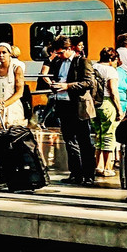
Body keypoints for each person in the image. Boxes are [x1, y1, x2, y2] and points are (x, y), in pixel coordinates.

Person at [41, 37, 99, 186]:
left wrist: (67, 86)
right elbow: (48, 75)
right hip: (63, 104)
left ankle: (88, 175)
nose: (58, 56)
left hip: (79, 106)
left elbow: (88, 83)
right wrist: (54, 85)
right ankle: (75, 173)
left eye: (60, 52)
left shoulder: (82, 61)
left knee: (85, 142)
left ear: (69, 49)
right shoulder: (58, 62)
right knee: (70, 141)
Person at [91, 47, 124, 177]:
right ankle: (107, 167)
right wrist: (119, 110)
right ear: (111, 59)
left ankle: (98, 166)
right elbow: (113, 91)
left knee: (98, 134)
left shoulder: (94, 67)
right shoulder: (110, 70)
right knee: (109, 135)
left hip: (94, 104)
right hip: (107, 103)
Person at [0, 43, 27, 128]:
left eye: (4, 52)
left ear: (10, 54)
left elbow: (19, 92)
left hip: (13, 109)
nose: (1, 55)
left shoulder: (17, 69)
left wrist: (4, 104)